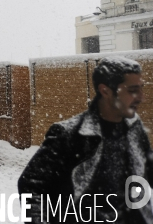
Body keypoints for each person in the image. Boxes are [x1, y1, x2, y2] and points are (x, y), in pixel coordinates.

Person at [18, 56, 153, 224]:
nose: (141, 97)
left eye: (141, 89)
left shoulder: (134, 130)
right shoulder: (68, 135)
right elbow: (31, 185)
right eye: (133, 90)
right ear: (105, 91)